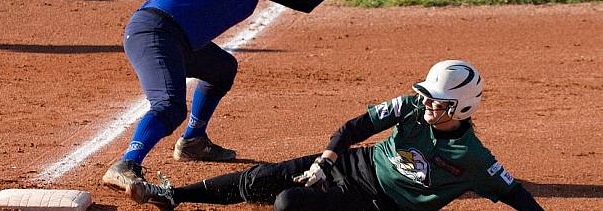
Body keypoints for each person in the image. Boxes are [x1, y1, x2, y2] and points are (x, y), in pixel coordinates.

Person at [102, 0, 379, 192]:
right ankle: (126, 164)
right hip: (157, 31)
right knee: (169, 105)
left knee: (221, 68)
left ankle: (193, 141)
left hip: (174, 35)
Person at [124, 60, 545, 211]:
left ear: (463, 107)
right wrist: (325, 161)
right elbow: (354, 128)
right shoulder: (414, 107)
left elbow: (515, 193)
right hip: (353, 164)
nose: (429, 104)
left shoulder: (473, 156)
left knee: (289, 202)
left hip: (381, 204)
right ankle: (174, 196)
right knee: (262, 178)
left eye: (440, 102)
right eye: (429, 97)